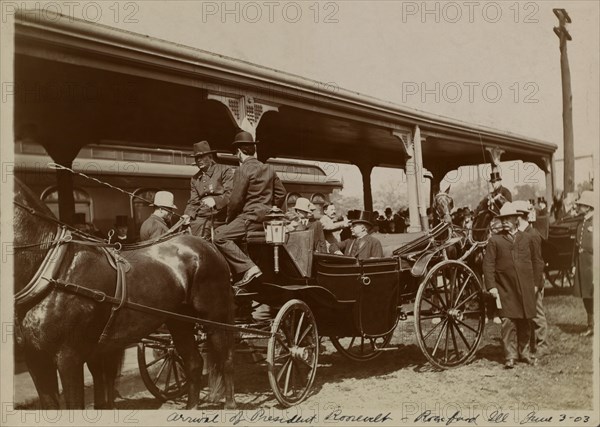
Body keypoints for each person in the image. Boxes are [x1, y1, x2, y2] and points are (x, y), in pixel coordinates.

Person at [213, 130, 286, 287]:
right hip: (265, 221)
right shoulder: (269, 169)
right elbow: (281, 194)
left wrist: (229, 220)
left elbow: (235, 200)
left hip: (249, 218)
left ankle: (249, 267)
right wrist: (271, 210)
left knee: (219, 235)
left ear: (239, 152)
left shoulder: (242, 170)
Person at [483, 202, 544, 369]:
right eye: (502, 219)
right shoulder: (495, 241)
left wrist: (536, 284)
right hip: (505, 288)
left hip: (526, 288)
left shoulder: (528, 238)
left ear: (517, 219)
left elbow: (538, 262)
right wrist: (492, 287)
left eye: (508, 218)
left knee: (526, 321)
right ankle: (510, 355)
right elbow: (488, 265)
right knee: (508, 322)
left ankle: (524, 353)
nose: (504, 222)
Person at [514, 200, 548, 357]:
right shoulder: (520, 234)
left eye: (515, 216)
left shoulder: (533, 235)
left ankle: (543, 346)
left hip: (533, 282)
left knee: (537, 314)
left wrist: (535, 285)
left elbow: (538, 262)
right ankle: (530, 345)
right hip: (524, 282)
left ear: (520, 217)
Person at [182, 141, 234, 240]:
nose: (199, 160)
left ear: (210, 156)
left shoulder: (224, 170)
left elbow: (230, 194)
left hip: (220, 216)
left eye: (202, 157)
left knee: (202, 237)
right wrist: (187, 215)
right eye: (197, 158)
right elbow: (193, 202)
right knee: (183, 233)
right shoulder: (195, 179)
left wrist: (215, 201)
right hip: (201, 217)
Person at [573, 191, 594, 337]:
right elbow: (575, 246)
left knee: (594, 295)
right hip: (582, 264)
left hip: (592, 265)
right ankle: (590, 325)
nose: (579, 207)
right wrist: (574, 265)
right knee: (586, 296)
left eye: (581, 205)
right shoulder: (581, 223)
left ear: (588, 206)